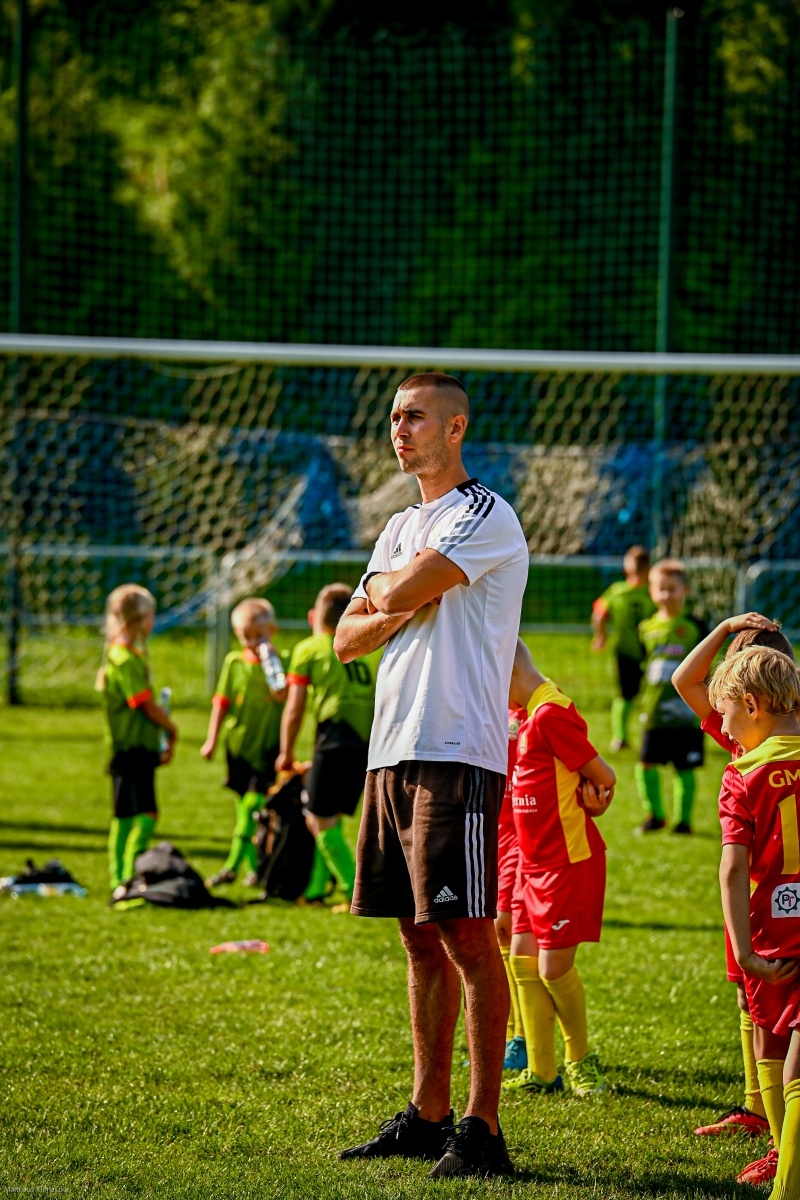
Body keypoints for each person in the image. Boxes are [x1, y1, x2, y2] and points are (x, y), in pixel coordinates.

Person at [333, 372, 529, 1178]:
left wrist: (391, 594)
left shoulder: (484, 513)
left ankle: (483, 1130)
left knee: (468, 939)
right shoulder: (399, 524)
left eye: (414, 417)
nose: (399, 430)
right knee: (416, 939)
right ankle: (428, 1111)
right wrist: (393, 595)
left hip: (456, 749)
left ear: (456, 427)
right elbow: (347, 637)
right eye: (392, 418)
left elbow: (399, 593)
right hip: (391, 751)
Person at [675, 613, 793, 1150]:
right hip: (750, 897)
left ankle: (777, 1130)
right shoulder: (744, 738)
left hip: (765, 893)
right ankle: (757, 1107)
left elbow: (686, 683)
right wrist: (723, 629)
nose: (719, 723)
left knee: (771, 1007)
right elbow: (685, 681)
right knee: (750, 1000)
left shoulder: (756, 750)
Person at [502, 639, 615, 1097]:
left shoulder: (551, 712)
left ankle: (581, 1060)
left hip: (566, 861)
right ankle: (542, 1071)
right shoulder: (527, 716)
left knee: (552, 968)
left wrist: (597, 797)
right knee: (524, 959)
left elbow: (603, 777)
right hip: (531, 861)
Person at [713, 646, 800, 1197]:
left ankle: (786, 1182)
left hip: (772, 933)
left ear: (751, 704)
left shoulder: (743, 773)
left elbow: (732, 867)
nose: (724, 729)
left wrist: (744, 954)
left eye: (725, 716)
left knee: (778, 1053)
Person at [276, 582, 376, 909]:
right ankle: (317, 889)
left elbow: (294, 709)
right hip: (366, 741)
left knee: (317, 818)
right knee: (328, 815)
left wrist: (286, 753)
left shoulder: (310, 649)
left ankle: (354, 890)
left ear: (314, 617)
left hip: (334, 738)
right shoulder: (362, 649)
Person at [201, 598, 287, 888]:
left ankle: (231, 866)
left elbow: (284, 697)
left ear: (272, 630)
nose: (252, 642)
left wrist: (273, 668)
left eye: (258, 635)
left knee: (253, 805)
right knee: (245, 809)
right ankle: (254, 869)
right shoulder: (233, 662)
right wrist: (211, 739)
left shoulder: (279, 661)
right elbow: (220, 703)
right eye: (245, 636)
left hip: (267, 748)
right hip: (238, 746)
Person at [98, 584, 177, 896]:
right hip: (130, 750)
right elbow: (141, 702)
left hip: (138, 748)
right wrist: (171, 728)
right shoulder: (123, 658)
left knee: (127, 814)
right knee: (142, 815)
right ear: (140, 618)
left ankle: (120, 875)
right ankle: (125, 874)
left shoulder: (129, 655)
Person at [635, 559, 707, 834]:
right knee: (645, 764)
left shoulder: (695, 627)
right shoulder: (646, 628)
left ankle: (684, 821)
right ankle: (655, 815)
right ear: (652, 592)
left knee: (684, 767)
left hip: (686, 712)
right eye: (660, 588)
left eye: (672, 588)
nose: (666, 594)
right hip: (653, 711)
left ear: (684, 590)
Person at [591, 545, 656, 751]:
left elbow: (599, 615)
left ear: (627, 569)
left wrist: (601, 636)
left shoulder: (617, 591)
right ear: (648, 569)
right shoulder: (653, 592)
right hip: (652, 652)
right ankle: (649, 731)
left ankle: (620, 737)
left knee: (625, 694)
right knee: (650, 693)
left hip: (625, 651)